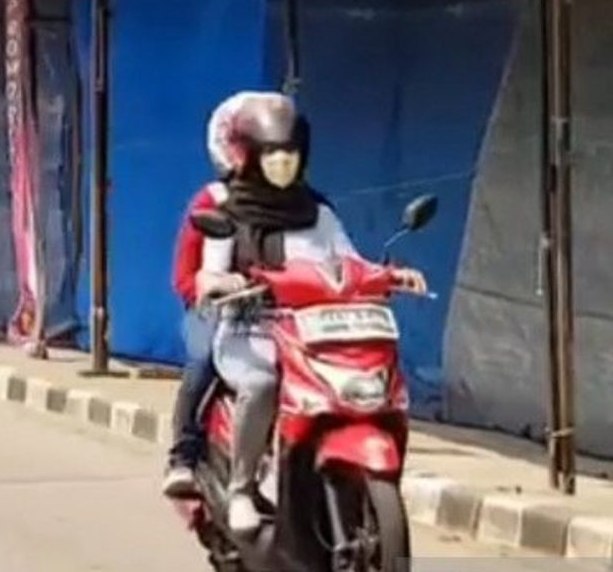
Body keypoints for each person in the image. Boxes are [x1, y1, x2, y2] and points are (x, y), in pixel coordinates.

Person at [199, 93, 427, 533]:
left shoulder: (317, 212)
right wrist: (224, 283)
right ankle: (242, 489)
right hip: (251, 329)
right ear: (251, 157)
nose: (282, 164)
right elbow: (209, 275)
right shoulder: (229, 211)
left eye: (289, 155)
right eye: (272, 155)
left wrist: (392, 275)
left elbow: (348, 262)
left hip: (309, 332)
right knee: (263, 384)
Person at [162, 92, 283, 497]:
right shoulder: (213, 201)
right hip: (216, 308)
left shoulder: (303, 207)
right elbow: (187, 274)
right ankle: (183, 456)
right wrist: (214, 286)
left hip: (278, 311)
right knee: (202, 360)